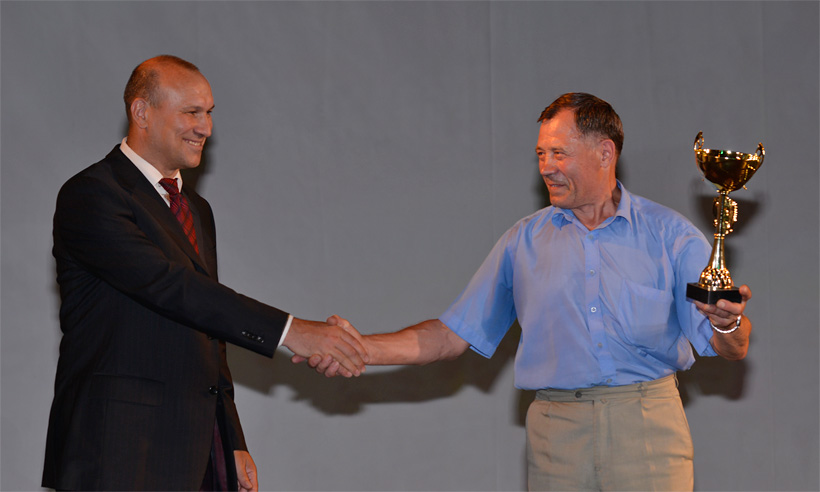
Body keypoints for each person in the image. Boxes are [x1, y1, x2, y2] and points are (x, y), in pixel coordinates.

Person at [298, 93, 753, 491]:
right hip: (556, 435)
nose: (546, 167)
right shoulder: (523, 242)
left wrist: (728, 323)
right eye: (540, 154)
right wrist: (358, 349)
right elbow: (451, 335)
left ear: (604, 152)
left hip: (647, 427)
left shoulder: (672, 236)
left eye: (559, 153)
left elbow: (732, 346)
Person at [42, 55, 368, 492]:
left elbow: (207, 325)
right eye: (192, 112)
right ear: (141, 112)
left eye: (209, 113)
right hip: (117, 450)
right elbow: (172, 288)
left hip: (196, 450)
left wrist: (230, 438)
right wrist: (293, 332)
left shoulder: (196, 209)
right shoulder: (91, 195)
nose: (206, 128)